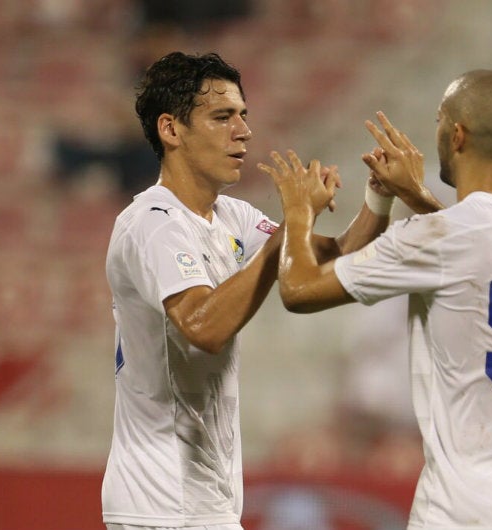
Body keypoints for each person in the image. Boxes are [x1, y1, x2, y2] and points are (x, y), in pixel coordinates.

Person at [259, 70, 492, 529]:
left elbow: (299, 290)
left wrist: (297, 210)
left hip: (465, 506)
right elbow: (479, 251)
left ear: (457, 135)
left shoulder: (440, 236)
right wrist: (413, 196)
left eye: (438, 120)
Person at [101, 51, 392, 530]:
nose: (243, 130)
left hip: (204, 502)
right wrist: (290, 228)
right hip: (158, 504)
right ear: (171, 130)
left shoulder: (232, 218)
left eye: (243, 115)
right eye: (222, 117)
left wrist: (379, 196)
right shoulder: (152, 224)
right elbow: (203, 327)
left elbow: (334, 257)